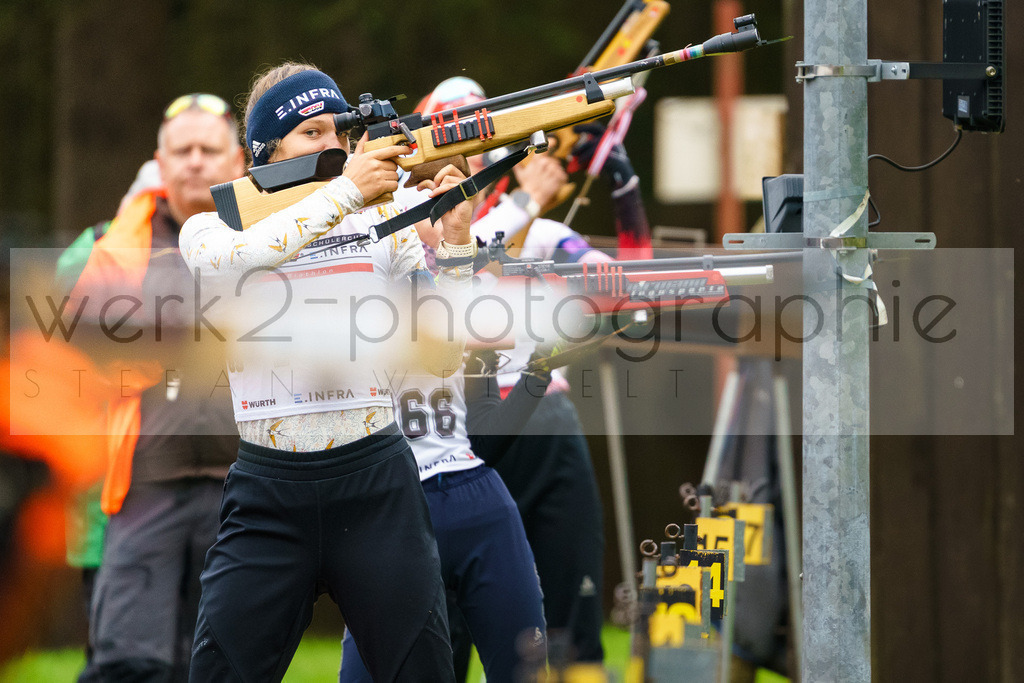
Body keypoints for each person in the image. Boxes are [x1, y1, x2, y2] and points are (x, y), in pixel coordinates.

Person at [179, 62, 477, 682]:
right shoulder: (213, 225)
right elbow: (239, 259)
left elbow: (443, 356)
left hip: (377, 486)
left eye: (339, 132)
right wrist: (346, 192)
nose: (334, 146)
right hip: (267, 493)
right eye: (311, 133)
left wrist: (455, 246)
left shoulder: (382, 221)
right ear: (266, 151)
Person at [418, 76, 653, 671]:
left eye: (480, 147)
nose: (469, 163)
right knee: (443, 632)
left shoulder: (543, 233)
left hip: (542, 424)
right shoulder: (414, 238)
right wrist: (525, 202)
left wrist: (623, 184)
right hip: (455, 431)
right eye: (453, 149)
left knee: (570, 619)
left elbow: (633, 289)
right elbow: (459, 258)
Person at [69, 92, 246, 681]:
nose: (195, 161)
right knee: (128, 660)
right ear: (159, 162)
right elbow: (72, 342)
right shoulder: (116, 243)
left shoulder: (273, 232)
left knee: (228, 663)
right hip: (144, 487)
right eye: (183, 150)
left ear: (239, 160)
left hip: (244, 488)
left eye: (209, 150)